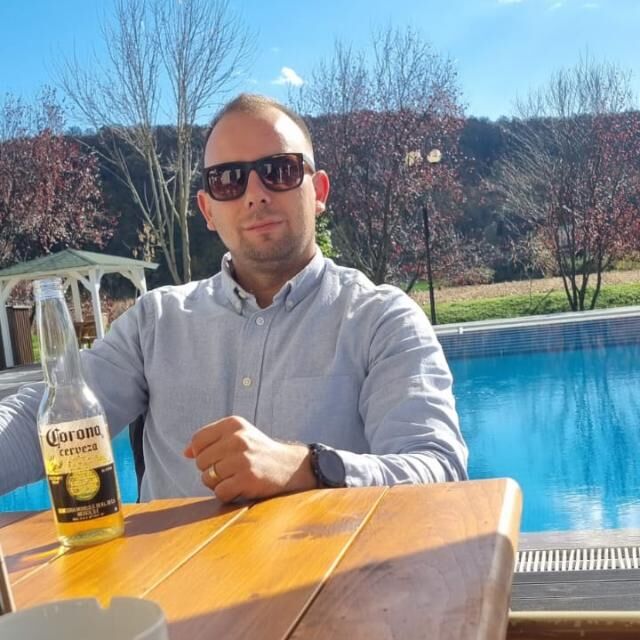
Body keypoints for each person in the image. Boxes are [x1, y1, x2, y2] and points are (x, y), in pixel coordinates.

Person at [0, 94, 467, 504]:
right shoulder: (156, 323)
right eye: (228, 180)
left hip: (325, 574)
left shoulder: (380, 319)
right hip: (171, 578)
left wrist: (309, 467)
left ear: (319, 191)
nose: (255, 195)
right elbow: (53, 414)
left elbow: (439, 471)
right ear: (208, 209)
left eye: (279, 171)